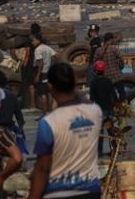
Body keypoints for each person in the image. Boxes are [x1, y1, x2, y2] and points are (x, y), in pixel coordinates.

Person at [27, 63, 103, 199]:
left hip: (58, 193)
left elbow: (42, 168)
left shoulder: (49, 122)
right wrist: (72, 87)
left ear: (50, 86)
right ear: (74, 84)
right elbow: (84, 100)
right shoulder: (95, 112)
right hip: (91, 191)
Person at [89, 61, 117, 157]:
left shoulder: (93, 83)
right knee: (111, 131)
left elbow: (92, 98)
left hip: (99, 110)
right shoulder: (108, 81)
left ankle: (99, 152)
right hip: (108, 109)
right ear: (104, 70)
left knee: (99, 132)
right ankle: (114, 150)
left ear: (96, 71)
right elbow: (114, 95)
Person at [95, 32, 124, 99]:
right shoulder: (114, 49)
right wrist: (120, 68)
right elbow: (121, 60)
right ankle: (123, 107)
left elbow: (95, 64)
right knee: (122, 94)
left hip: (106, 78)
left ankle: (114, 107)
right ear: (110, 39)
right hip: (117, 76)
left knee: (111, 96)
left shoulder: (98, 50)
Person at [33, 34, 57, 115]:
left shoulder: (37, 50)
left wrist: (37, 76)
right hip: (48, 72)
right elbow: (56, 55)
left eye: (33, 40)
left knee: (42, 93)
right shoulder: (47, 47)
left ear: (38, 40)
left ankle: (44, 114)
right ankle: (50, 111)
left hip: (42, 73)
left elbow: (40, 63)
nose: (32, 42)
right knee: (49, 92)